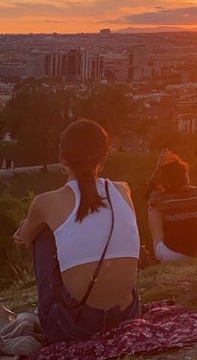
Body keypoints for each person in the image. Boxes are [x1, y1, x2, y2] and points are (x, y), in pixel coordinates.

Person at [12, 119, 141, 343]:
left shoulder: (46, 203)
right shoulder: (123, 189)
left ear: (63, 157)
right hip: (127, 314)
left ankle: (52, 310)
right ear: (104, 155)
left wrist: (30, 223)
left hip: (75, 326)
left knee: (42, 232)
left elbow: (23, 238)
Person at [147, 151, 197, 262]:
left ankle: (157, 251)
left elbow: (149, 193)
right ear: (185, 175)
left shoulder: (161, 198)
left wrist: (158, 168)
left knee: (152, 209)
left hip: (175, 255)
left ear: (165, 180)